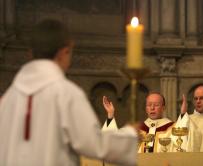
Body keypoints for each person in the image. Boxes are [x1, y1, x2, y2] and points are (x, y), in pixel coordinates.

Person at [0, 19, 138, 166]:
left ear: (30, 54)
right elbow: (95, 143)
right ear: (65, 52)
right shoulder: (66, 94)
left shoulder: (9, 97)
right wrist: (130, 134)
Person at [102, 92, 201, 153]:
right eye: (149, 105)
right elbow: (114, 142)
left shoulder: (173, 128)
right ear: (146, 108)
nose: (152, 108)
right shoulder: (136, 129)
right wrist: (110, 115)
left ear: (163, 108)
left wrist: (183, 115)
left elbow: (188, 142)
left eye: (156, 105)